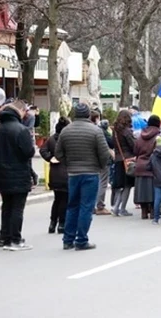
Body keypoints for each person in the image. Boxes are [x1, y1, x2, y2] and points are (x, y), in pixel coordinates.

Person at [55, 103, 110, 251]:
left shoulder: (66, 131)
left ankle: (67, 240)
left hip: (73, 174)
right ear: (88, 115)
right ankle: (81, 240)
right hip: (91, 173)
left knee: (72, 206)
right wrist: (99, 165)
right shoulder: (95, 131)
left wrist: (69, 164)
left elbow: (58, 153)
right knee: (86, 207)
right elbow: (105, 154)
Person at [0, 102, 37, 251]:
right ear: (19, 112)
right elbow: (28, 152)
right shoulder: (21, 130)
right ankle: (15, 239)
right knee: (17, 208)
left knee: (7, 207)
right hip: (19, 173)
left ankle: (4, 237)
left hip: (2, 173)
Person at [40, 117, 70, 234]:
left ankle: (52, 224)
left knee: (57, 199)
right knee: (64, 200)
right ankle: (62, 224)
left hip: (54, 173)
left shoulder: (51, 139)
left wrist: (50, 158)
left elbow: (43, 150)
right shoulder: (67, 140)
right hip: (66, 173)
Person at [133, 115, 161, 219]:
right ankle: (153, 211)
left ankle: (144, 212)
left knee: (141, 190)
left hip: (140, 165)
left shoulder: (140, 136)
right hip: (152, 165)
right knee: (153, 190)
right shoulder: (158, 136)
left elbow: (135, 151)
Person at [112, 110, 136, 216]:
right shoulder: (127, 131)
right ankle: (121, 208)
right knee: (127, 185)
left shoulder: (115, 131)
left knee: (120, 185)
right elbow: (133, 145)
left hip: (118, 159)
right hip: (127, 160)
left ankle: (116, 207)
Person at [91, 110, 113, 215]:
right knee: (103, 182)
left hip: (89, 161)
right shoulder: (99, 130)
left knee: (92, 183)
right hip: (101, 160)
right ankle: (99, 206)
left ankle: (91, 205)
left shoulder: (85, 129)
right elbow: (110, 142)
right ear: (96, 119)